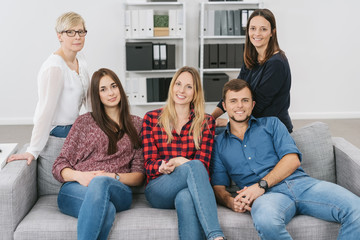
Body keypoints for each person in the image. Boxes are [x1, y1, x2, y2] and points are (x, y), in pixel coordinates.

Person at [211, 79, 360, 239]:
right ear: (225, 106)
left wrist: (261, 185)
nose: (239, 106)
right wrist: (230, 202)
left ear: (252, 104)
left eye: (245, 100)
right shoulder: (218, 144)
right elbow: (219, 187)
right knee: (266, 221)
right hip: (267, 198)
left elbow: (292, 159)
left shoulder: (272, 124)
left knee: (356, 209)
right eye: (233, 101)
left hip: (303, 185)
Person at [52, 68, 144, 240]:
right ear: (97, 95)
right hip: (77, 189)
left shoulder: (137, 125)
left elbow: (139, 176)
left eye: (113, 86)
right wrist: (80, 176)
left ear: (120, 89)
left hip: (117, 189)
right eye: (103, 89)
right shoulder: (84, 122)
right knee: (106, 210)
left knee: (101, 182)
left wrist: (110, 176)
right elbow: (59, 165)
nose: (110, 93)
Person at [142, 66, 225, 240]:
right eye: (178, 84)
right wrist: (162, 166)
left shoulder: (206, 122)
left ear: (195, 93)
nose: (181, 90)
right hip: (159, 188)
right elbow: (149, 164)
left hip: (189, 188)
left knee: (186, 197)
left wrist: (179, 161)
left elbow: (203, 168)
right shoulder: (151, 119)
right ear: (172, 87)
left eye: (188, 86)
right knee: (194, 165)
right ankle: (216, 237)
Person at [8, 12, 90, 165]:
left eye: (81, 31)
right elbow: (45, 110)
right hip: (59, 129)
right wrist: (33, 150)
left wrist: (100, 122)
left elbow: (89, 97)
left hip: (75, 124)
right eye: (70, 32)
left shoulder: (81, 58)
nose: (77, 37)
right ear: (60, 36)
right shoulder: (54, 68)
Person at [212, 9, 293, 133]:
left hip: (271, 129)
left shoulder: (277, 63)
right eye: (253, 28)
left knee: (214, 135)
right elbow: (234, 90)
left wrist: (228, 122)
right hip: (250, 123)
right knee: (206, 130)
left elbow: (258, 105)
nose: (257, 33)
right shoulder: (251, 58)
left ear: (272, 32)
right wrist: (211, 117)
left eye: (263, 29)